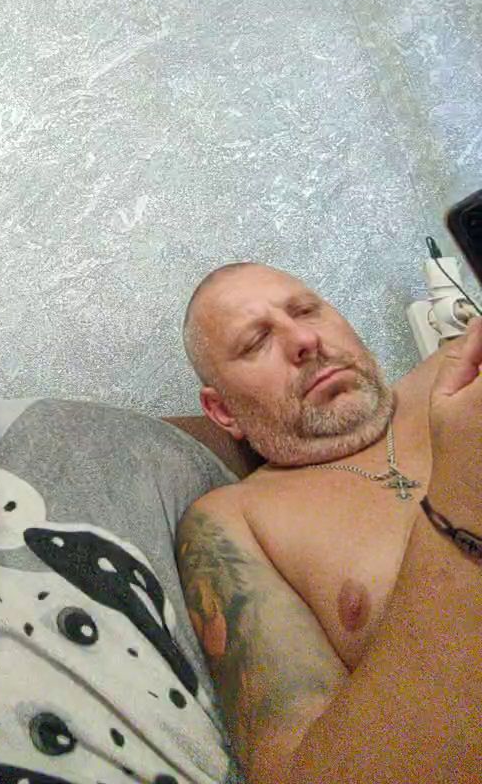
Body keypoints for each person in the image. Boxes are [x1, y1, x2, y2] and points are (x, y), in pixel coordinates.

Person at [175, 261, 482, 784]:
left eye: (306, 310)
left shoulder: (463, 367)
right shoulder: (232, 522)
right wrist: (463, 504)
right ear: (222, 411)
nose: (303, 340)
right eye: (256, 342)